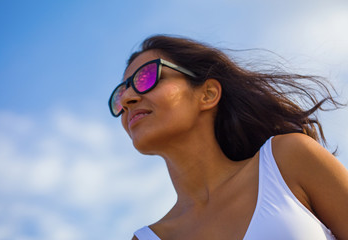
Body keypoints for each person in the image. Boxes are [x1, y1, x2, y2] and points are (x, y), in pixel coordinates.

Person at [108, 35, 348, 240]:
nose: (128, 97)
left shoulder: (288, 160)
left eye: (147, 77)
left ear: (208, 94)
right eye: (120, 93)